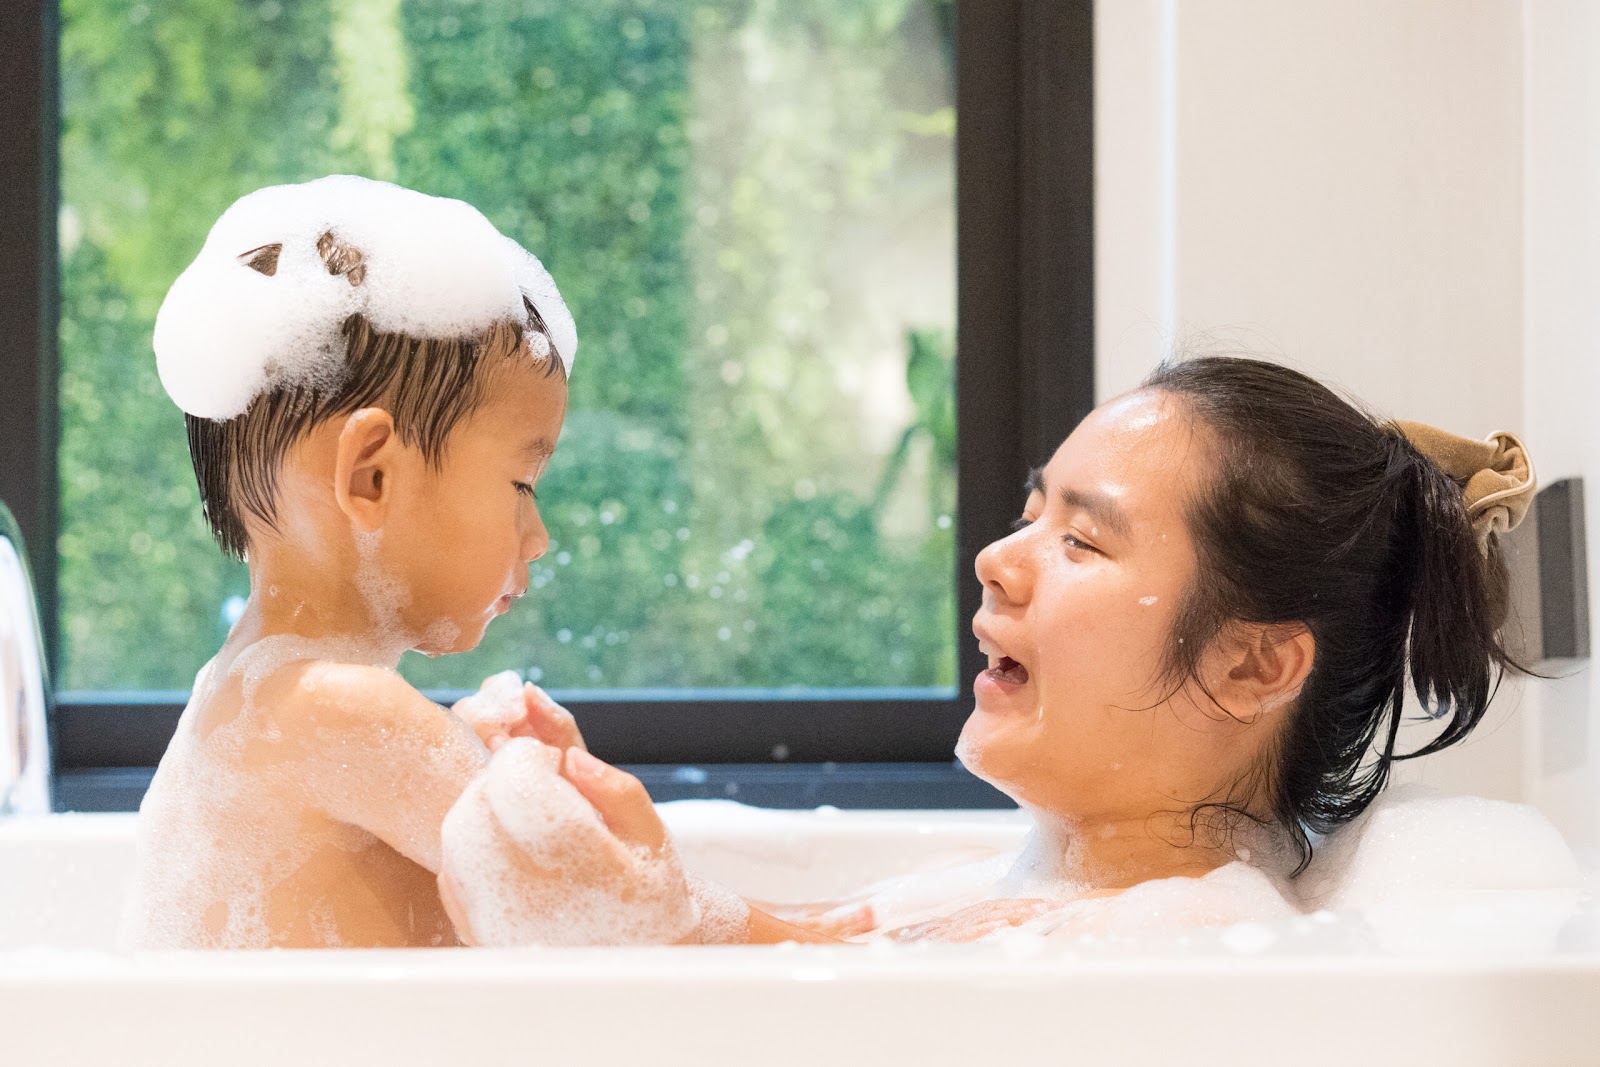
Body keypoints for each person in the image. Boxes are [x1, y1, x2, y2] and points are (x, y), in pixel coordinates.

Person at [440, 355, 1535, 944]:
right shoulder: (1045, 892)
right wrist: (641, 874)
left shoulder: (1187, 948)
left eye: (1080, 538)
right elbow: (803, 948)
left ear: (1252, 665)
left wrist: (652, 925)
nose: (997, 559)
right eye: (1026, 512)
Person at [123, 176, 698, 949]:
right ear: (372, 476)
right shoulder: (339, 706)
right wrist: (832, 930)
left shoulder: (249, 692)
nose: (539, 535)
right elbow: (607, 910)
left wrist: (470, 757)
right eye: (522, 484)